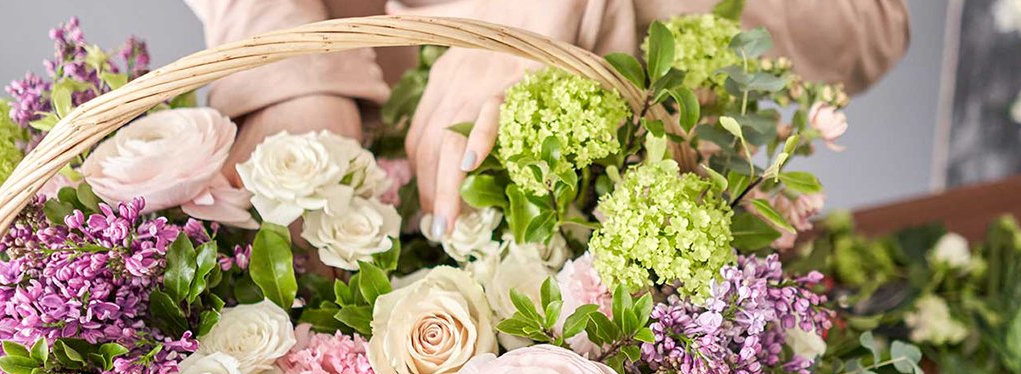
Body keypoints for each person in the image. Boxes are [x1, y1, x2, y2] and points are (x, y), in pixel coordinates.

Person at [184, 0, 911, 235]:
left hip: (617, 230)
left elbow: (865, 23)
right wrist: (292, 77)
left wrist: (543, 14)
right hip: (343, 136)